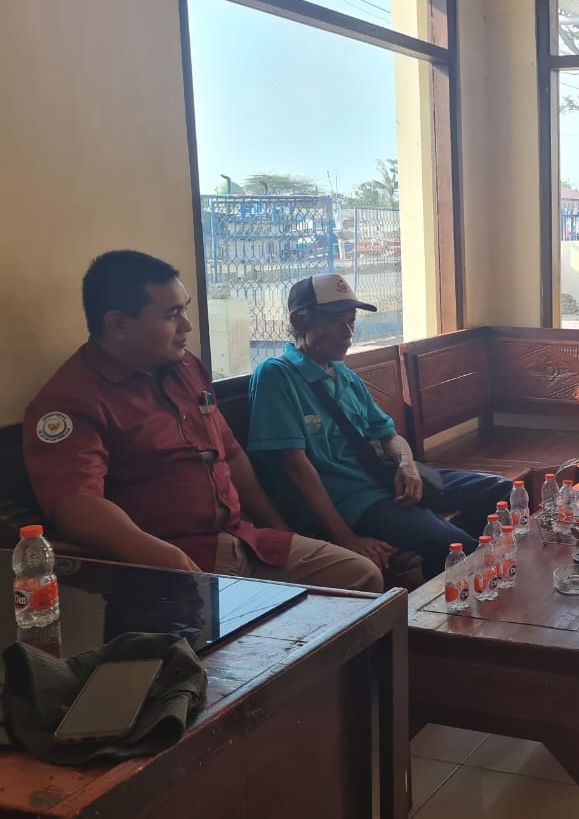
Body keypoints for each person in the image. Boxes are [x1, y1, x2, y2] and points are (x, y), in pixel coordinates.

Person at [23, 251, 382, 592]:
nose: (187, 325)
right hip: (175, 562)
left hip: (245, 539)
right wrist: (163, 558)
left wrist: (278, 527)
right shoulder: (71, 400)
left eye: (185, 310)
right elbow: (77, 506)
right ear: (118, 324)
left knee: (362, 576)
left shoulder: (186, 367)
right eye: (171, 315)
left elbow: (231, 453)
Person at [246, 273, 509, 578]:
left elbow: (389, 435)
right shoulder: (277, 376)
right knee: (457, 547)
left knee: (500, 492)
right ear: (299, 321)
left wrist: (407, 465)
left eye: (351, 321)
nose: (347, 332)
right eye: (334, 321)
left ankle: (472, 576)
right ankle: (454, 595)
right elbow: (295, 467)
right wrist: (345, 537)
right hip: (355, 501)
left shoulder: (343, 375)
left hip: (386, 481)